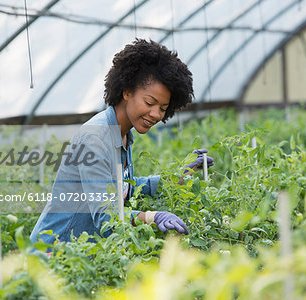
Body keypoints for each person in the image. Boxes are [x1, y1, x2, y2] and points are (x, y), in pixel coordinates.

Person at [30, 39, 214, 247]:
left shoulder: (123, 134)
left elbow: (123, 189)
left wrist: (175, 178)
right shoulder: (96, 139)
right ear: (127, 92)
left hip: (80, 254)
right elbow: (107, 218)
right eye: (149, 102)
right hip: (53, 253)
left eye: (163, 108)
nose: (155, 114)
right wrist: (153, 217)